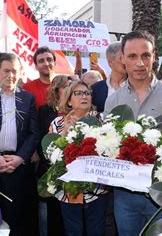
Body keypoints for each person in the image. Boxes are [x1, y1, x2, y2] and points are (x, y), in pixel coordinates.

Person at [104, 31, 162, 236]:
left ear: (154, 57)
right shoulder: (113, 101)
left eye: (145, 55)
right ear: (122, 59)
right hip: (125, 196)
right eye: (132, 56)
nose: (140, 63)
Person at [0, 53, 40, 236]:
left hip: (18, 167)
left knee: (18, 218)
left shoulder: (28, 98)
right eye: (6, 71)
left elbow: (34, 133)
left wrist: (20, 158)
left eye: (15, 71)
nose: (11, 75)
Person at [50, 80, 109, 236]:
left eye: (87, 93)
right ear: (69, 100)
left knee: (97, 231)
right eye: (78, 93)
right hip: (68, 190)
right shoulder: (57, 124)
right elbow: (49, 154)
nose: (84, 96)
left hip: (97, 189)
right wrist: (66, 132)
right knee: (73, 232)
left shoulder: (102, 121)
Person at [37, 75, 71, 236]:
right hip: (51, 171)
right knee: (54, 217)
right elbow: (40, 140)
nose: (70, 88)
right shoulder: (45, 111)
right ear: (56, 90)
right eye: (66, 86)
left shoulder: (77, 111)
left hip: (72, 174)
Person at [91, 42, 127, 113]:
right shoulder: (95, 89)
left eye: (128, 57)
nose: (125, 62)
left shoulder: (138, 87)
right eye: (121, 58)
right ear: (110, 61)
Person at [23, 46, 57, 111]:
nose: (46, 64)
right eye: (41, 61)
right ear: (36, 66)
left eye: (49, 60)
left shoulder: (65, 86)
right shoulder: (27, 88)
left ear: (55, 63)